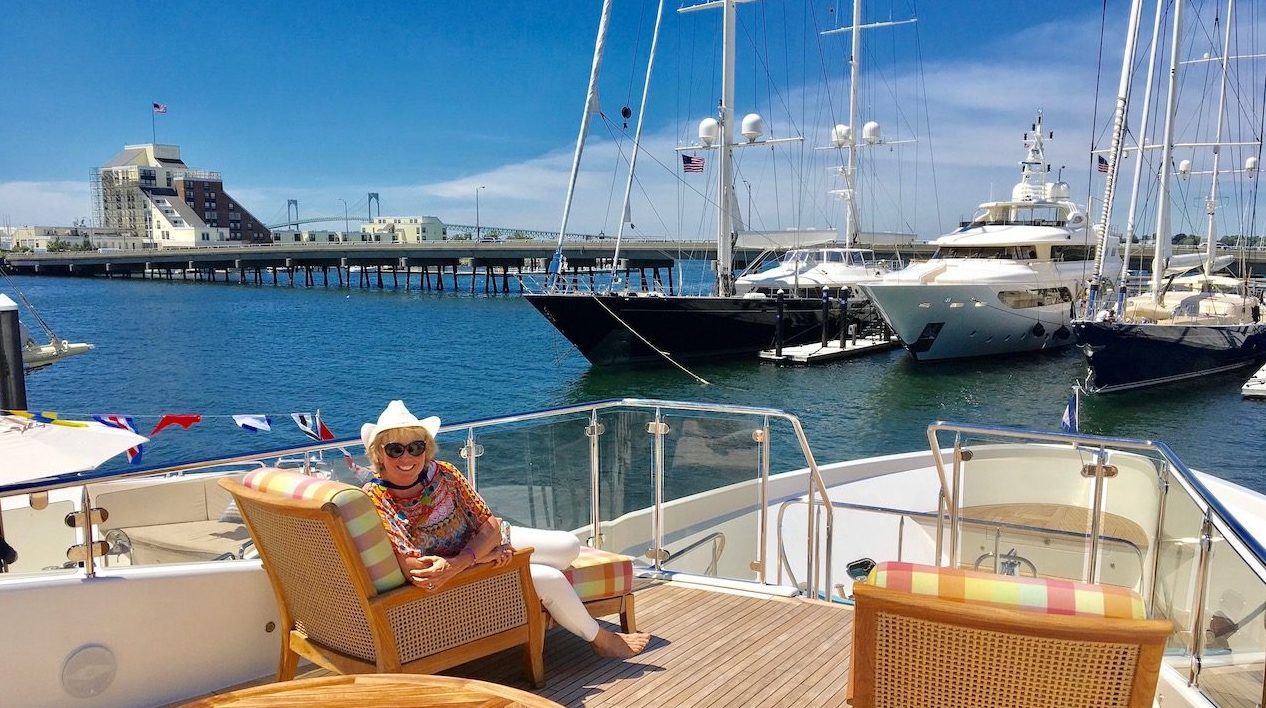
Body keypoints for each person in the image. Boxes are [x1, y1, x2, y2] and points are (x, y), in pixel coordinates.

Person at [361, 400, 651, 659]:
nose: (406, 458)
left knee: (568, 545)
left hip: (478, 549)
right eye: (395, 449)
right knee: (548, 577)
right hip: (462, 571)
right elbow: (417, 569)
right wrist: (476, 558)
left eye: (415, 447)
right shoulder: (376, 497)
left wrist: (477, 552)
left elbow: (490, 523)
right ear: (379, 454)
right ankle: (601, 639)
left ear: (426, 448)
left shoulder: (444, 473)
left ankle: (527, 580)